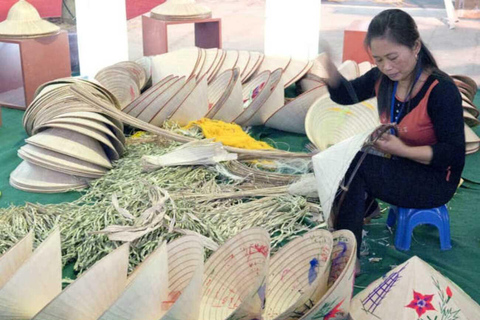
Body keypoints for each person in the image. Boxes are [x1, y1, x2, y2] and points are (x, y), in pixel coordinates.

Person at [320, 9, 465, 269]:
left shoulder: (441, 90)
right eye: (378, 59)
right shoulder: (383, 79)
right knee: (347, 155)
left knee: (357, 168)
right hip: (402, 164)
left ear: (416, 46)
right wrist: (330, 70)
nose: (387, 66)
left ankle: (346, 257)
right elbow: (347, 96)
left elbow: (453, 153)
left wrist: (404, 149)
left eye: (393, 57)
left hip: (435, 181)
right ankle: (361, 216)